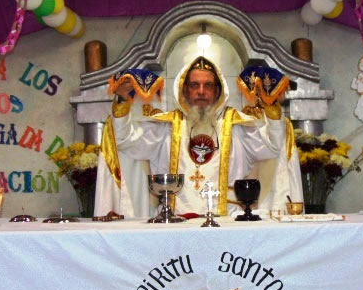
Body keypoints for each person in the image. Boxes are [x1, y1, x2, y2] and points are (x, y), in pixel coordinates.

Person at [98, 56, 301, 216]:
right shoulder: (165, 127)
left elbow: (273, 147)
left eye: (208, 85)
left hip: (228, 222)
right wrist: (122, 100)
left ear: (218, 90)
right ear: (184, 90)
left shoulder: (237, 126)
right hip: (175, 222)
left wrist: (271, 108)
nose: (201, 91)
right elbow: (125, 142)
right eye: (195, 85)